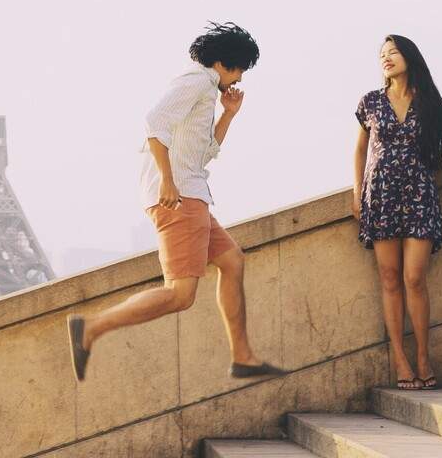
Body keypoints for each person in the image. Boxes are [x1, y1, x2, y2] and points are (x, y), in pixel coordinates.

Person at [67, 22, 285, 383]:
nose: (239, 79)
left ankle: (243, 356)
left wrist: (228, 114)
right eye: (241, 70)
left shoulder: (205, 90)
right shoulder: (198, 81)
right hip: (181, 197)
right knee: (180, 294)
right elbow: (155, 123)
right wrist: (168, 180)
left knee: (232, 261)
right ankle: (90, 328)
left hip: (191, 192)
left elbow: (203, 154)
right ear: (226, 63)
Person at [351, 34, 442, 390]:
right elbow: (359, 151)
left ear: (409, 57)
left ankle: (422, 356)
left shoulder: (429, 101)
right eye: (381, 54)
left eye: (393, 52)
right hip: (381, 196)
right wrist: (358, 193)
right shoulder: (370, 101)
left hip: (419, 194)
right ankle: (400, 358)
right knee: (389, 278)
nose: (386, 58)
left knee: (414, 277)